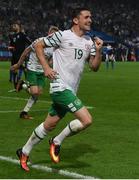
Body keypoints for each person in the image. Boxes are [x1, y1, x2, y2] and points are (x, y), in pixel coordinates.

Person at [16, 7, 103, 171]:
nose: (90, 20)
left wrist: (98, 51)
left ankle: (24, 151)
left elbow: (94, 66)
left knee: (48, 125)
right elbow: (39, 45)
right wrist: (46, 68)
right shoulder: (62, 35)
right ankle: (56, 141)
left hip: (71, 90)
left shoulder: (88, 42)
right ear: (76, 20)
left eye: (91, 17)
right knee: (87, 120)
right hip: (59, 87)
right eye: (86, 17)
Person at [11, 26, 59, 119]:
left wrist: (50, 67)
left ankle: (24, 112)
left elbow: (49, 61)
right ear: (49, 34)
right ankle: (23, 85)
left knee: (38, 93)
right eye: (52, 34)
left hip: (42, 71)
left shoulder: (54, 47)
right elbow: (26, 52)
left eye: (56, 35)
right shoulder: (38, 41)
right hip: (32, 68)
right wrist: (18, 64)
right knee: (34, 91)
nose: (54, 37)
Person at [8, 22, 31, 91]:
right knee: (13, 70)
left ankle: (29, 85)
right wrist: (10, 48)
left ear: (19, 27)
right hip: (14, 56)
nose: (13, 27)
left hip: (21, 56)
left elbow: (30, 43)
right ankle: (16, 88)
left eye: (15, 25)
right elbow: (11, 45)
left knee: (25, 70)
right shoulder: (13, 36)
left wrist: (27, 52)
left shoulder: (23, 35)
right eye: (13, 26)